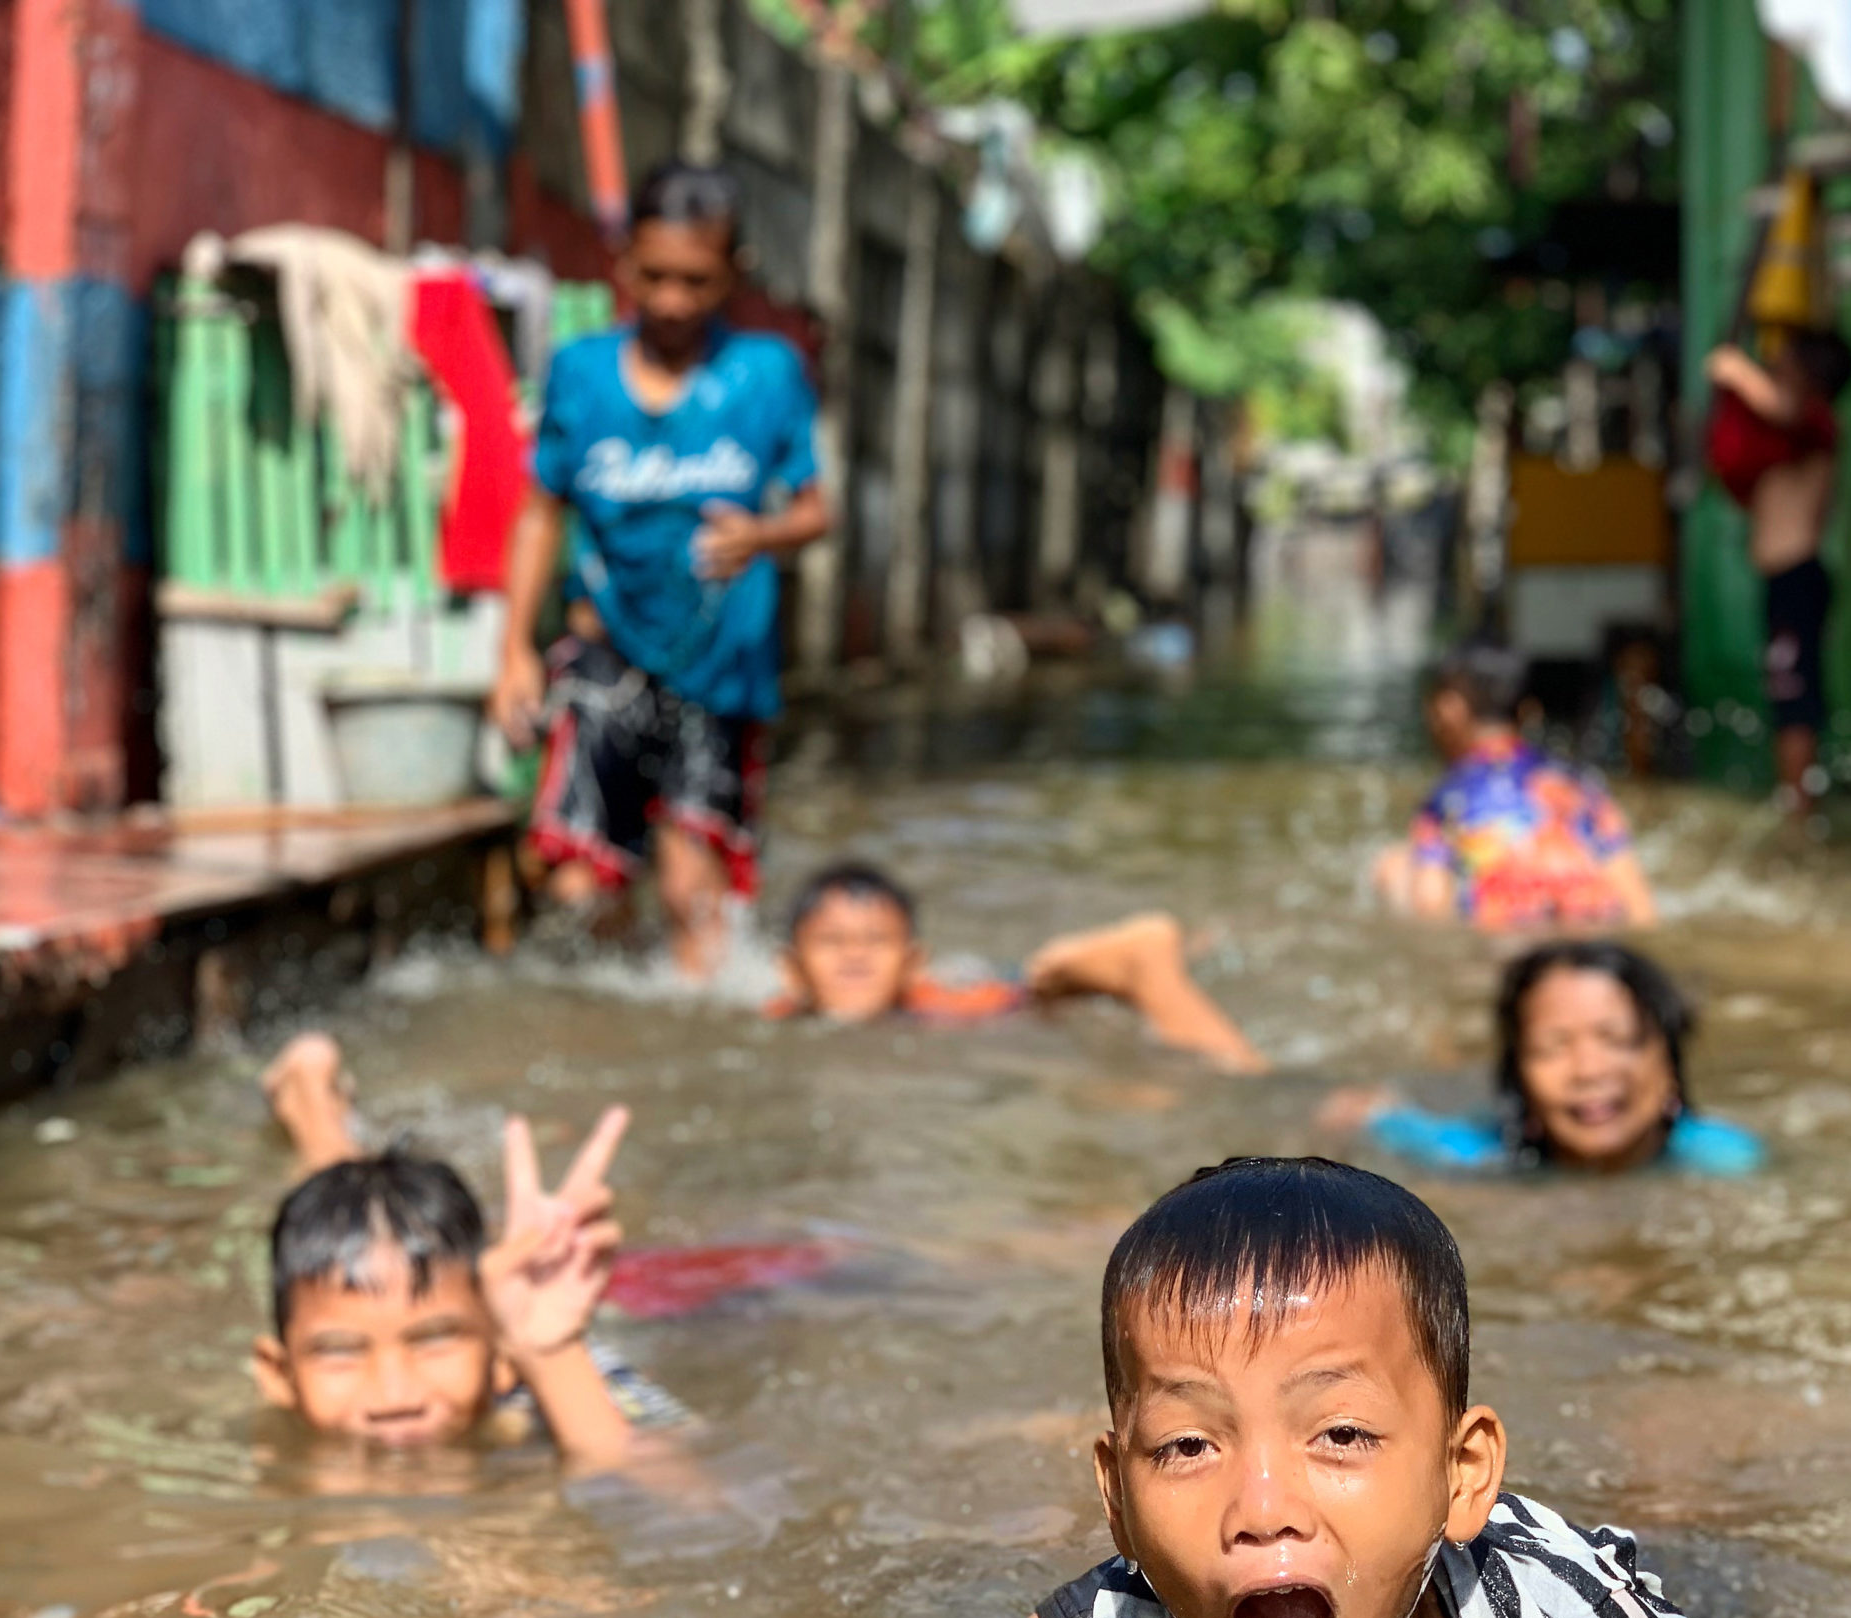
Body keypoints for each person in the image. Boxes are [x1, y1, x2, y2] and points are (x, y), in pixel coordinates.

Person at [887, 1157, 1789, 1618]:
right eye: (1189, 1445)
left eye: (1342, 1435)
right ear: (1118, 1496)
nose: (1263, 1507)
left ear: (1462, 1473)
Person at [492, 161, 832, 980]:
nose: (674, 301)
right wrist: (510, 651)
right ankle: (611, 1042)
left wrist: (763, 534)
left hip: (721, 668)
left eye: (696, 282)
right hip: (605, 651)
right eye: (655, 277)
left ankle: (697, 1042)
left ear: (733, 275)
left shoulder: (767, 373)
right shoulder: (580, 373)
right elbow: (542, 510)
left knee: (692, 889)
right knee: (577, 885)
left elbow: (818, 512)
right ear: (623, 264)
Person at [252, 1035, 675, 1469]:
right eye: (340, 1351)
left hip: (524, 1326)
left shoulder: (541, 1354)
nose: (395, 1398)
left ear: (500, 1356)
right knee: (350, 1232)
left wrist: (550, 1356)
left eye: (435, 1339)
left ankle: (314, 1107)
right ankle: (314, 1115)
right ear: (277, 1375)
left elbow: (686, 1498)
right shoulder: (270, 1443)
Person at [767, 861, 1266, 1073]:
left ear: (912, 963)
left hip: (1005, 987)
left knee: (1044, 987)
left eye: (876, 942)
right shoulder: (779, 1014)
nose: (855, 956)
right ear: (792, 968)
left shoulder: (939, 1003)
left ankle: (1132, 960)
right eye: (832, 942)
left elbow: (1015, 1000)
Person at [1323, 941, 1762, 1178]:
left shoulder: (1727, 1162)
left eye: (1618, 1039)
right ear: (1517, 1079)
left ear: (1669, 1062)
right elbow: (1370, 1115)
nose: (1589, 1071)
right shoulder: (1477, 1157)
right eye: (1552, 1048)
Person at [1371, 646, 1657, 931]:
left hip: (1503, 933)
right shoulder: (1578, 784)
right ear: (1527, 712)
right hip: (1589, 923)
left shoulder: (1449, 797)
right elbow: (1640, 908)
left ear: (1450, 709)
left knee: (1393, 865)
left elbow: (1430, 904)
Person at [1704, 329, 1851, 811]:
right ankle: (1794, 799)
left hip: (1797, 577)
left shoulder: (1816, 423)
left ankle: (1799, 807)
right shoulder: (1787, 437)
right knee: (1785, 695)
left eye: (1784, 368)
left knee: (1795, 701)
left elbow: (1782, 409)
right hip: (1783, 579)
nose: (1773, 375)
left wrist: (1736, 369)